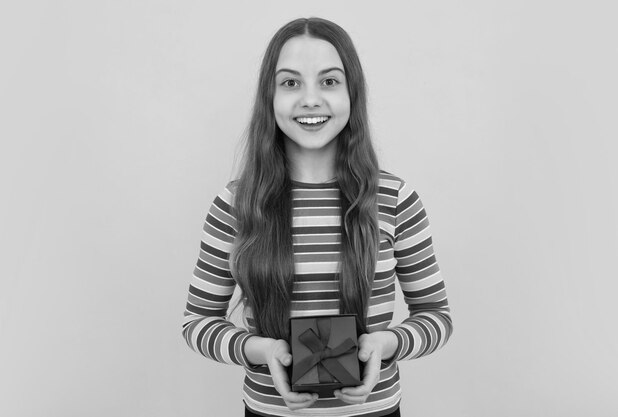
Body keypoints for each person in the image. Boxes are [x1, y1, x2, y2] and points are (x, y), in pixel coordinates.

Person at [182, 17, 453, 417]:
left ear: (351, 94)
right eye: (290, 82)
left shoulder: (395, 199)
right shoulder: (234, 205)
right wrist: (261, 350)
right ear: (269, 97)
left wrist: (386, 343)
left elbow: (436, 317)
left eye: (329, 81)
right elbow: (197, 323)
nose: (310, 99)